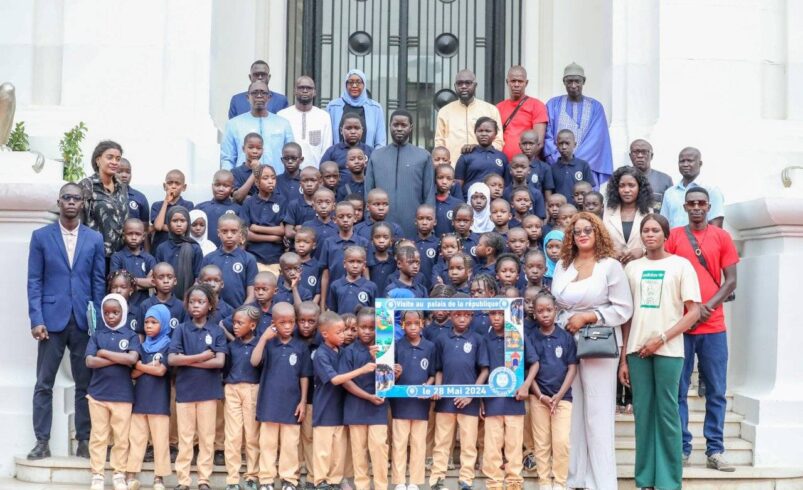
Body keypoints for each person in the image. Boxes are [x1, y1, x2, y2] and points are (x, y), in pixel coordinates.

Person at [550, 212, 633, 490]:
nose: (582, 234)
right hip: (566, 340)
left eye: (588, 230)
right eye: (577, 231)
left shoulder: (609, 266)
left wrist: (589, 316)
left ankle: (602, 482)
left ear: (598, 233)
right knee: (573, 412)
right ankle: (576, 478)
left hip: (598, 341)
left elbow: (623, 308)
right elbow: (557, 303)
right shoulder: (564, 265)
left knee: (598, 413)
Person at [619, 213, 702, 489]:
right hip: (636, 350)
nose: (650, 234)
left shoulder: (681, 266)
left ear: (666, 235)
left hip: (668, 350)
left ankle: (668, 481)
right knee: (643, 413)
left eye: (655, 230)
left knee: (667, 413)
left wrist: (662, 338)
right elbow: (627, 316)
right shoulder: (632, 268)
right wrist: (623, 359)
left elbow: (694, 312)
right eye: (646, 230)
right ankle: (645, 479)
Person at [26, 183, 106, 461]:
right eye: (66, 198)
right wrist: (36, 318)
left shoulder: (94, 239)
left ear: (83, 203)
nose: (71, 202)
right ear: (59, 202)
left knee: (85, 383)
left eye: (76, 198)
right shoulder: (41, 237)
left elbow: (98, 282)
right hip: (51, 321)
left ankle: (84, 440)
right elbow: (34, 281)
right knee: (43, 382)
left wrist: (97, 322)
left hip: (83, 321)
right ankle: (41, 441)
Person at [665, 188, 739, 471]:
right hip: (681, 327)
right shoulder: (674, 236)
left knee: (717, 390)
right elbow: (668, 276)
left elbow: (730, 281)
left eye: (701, 204)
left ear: (708, 207)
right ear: (685, 207)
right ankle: (682, 447)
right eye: (691, 204)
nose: (696, 208)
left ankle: (715, 450)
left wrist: (704, 308)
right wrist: (687, 314)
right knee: (679, 390)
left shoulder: (722, 237)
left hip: (713, 326)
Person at [168, 284, 228, 490]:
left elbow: (219, 362)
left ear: (210, 305)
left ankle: (204, 480)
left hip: (208, 393)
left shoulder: (216, 331)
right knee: (185, 439)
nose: (195, 305)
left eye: (200, 302)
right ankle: (183, 480)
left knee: (206, 438)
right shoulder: (181, 329)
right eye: (192, 302)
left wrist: (187, 359)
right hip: (185, 392)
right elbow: (173, 359)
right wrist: (201, 357)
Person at [429, 294, 489, 490]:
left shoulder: (478, 339)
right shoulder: (441, 339)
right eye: (457, 314)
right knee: (442, 441)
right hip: (445, 400)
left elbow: (484, 371)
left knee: (468, 443)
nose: (462, 318)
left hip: (468, 401)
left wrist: (471, 394)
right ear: (450, 315)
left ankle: (466, 480)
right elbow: (438, 369)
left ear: (471, 316)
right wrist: (437, 387)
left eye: (466, 315)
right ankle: (437, 479)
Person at [312, 311, 377, 489]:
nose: (344, 335)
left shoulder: (341, 351)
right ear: (325, 334)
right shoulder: (321, 354)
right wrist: (362, 370)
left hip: (340, 409)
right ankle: (320, 481)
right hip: (324, 408)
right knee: (323, 450)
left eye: (345, 331)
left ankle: (334, 480)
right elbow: (335, 379)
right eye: (339, 332)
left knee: (339, 450)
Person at [85, 293, 140, 490]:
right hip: (98, 395)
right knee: (99, 436)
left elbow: (132, 359)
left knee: (121, 437)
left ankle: (119, 473)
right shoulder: (97, 335)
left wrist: (104, 353)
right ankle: (97, 474)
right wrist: (119, 358)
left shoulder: (130, 335)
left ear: (123, 313)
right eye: (107, 313)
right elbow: (90, 361)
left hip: (123, 396)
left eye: (115, 312)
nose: (110, 317)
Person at [481, 309, 539, 490]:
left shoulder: (518, 337)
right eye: (493, 314)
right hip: (492, 400)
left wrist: (525, 386)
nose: (497, 317)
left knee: (514, 444)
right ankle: (494, 483)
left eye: (501, 314)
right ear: (487, 315)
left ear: (509, 316)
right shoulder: (485, 339)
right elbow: (482, 371)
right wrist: (481, 400)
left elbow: (534, 363)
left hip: (515, 400)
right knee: (492, 445)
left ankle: (514, 482)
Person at [529, 290, 577, 490]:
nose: (545, 314)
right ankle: (544, 482)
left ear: (556, 310)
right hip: (538, 398)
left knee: (561, 442)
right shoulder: (531, 337)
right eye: (540, 311)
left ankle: (559, 482)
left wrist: (558, 396)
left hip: (562, 398)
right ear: (534, 314)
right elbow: (529, 369)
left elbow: (572, 367)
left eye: (549, 310)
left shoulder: (565, 337)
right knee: (541, 443)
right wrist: (540, 396)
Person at [364, 109, 436, 239]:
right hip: (380, 227)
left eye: (403, 125)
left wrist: (428, 227)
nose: (399, 129)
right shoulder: (376, 155)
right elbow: (368, 192)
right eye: (395, 125)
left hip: (414, 226)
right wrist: (368, 222)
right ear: (389, 126)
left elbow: (429, 194)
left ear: (411, 128)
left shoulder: (423, 156)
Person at [341, 308, 391, 490]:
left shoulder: (384, 349)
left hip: (377, 408)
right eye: (363, 327)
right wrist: (368, 397)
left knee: (379, 448)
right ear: (356, 327)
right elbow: (345, 382)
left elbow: (388, 381)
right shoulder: (348, 351)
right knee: (358, 451)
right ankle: (361, 486)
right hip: (356, 407)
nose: (368, 331)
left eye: (372, 327)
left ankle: (380, 486)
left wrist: (382, 362)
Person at [126, 304, 173, 490]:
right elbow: (132, 374)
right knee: (136, 438)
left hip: (159, 400)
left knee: (160, 440)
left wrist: (141, 366)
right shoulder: (141, 346)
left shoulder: (169, 345)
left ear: (164, 323)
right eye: (146, 322)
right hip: (140, 399)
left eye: (154, 322)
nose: (149, 326)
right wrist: (149, 368)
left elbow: (161, 371)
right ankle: (131, 475)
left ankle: (159, 478)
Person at [544, 62, 613, 185]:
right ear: (564, 82)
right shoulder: (553, 104)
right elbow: (547, 135)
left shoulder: (595, 107)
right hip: (557, 166)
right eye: (569, 81)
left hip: (586, 168)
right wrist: (559, 159)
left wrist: (575, 162)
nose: (573, 85)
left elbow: (596, 141)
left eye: (577, 81)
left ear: (584, 81)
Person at [390, 310, 435, 490]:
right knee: (399, 442)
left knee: (418, 442)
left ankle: (415, 481)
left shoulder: (430, 347)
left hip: (420, 403)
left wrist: (428, 385)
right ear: (403, 325)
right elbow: (387, 377)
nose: (413, 327)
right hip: (400, 403)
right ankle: (399, 480)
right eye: (409, 324)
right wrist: (395, 375)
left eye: (416, 323)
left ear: (422, 323)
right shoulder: (396, 346)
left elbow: (433, 374)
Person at [221, 80, 295, 173]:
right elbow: (227, 158)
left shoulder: (283, 124)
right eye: (255, 93)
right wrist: (229, 181)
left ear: (269, 97)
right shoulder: (233, 124)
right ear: (248, 97)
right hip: (243, 182)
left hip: (275, 181)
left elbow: (291, 155)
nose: (259, 96)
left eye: (263, 93)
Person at [434, 69, 504, 166]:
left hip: (482, 168)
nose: (463, 86)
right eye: (460, 83)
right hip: (453, 169)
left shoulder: (490, 110)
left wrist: (480, 150)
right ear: (455, 86)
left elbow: (498, 141)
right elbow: (439, 142)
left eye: (468, 83)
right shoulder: (444, 112)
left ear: (475, 85)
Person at [78, 140, 129, 262]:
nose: (114, 162)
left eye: (118, 159)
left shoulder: (122, 187)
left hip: (120, 256)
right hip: (95, 254)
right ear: (98, 160)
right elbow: (79, 221)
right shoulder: (87, 185)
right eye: (109, 157)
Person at [660, 147, 725, 228]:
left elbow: (716, 225)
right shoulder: (670, 193)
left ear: (700, 164)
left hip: (702, 240)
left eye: (690, 161)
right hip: (675, 240)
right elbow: (664, 224)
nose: (685, 164)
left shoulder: (711, 190)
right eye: (682, 161)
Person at [278, 76, 333, 169]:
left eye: (309, 88)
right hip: (288, 172)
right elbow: (279, 147)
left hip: (314, 174)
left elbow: (326, 148)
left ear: (314, 92)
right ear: (295, 91)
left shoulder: (323, 116)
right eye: (301, 88)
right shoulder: (282, 116)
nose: (305, 90)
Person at [603, 166, 654, 266]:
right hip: (613, 269)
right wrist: (611, 251)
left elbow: (654, 240)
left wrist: (643, 251)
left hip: (640, 268)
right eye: (622, 186)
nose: (626, 190)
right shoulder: (607, 212)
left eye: (631, 185)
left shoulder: (649, 212)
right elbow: (600, 240)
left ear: (640, 188)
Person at [497, 65, 548, 162]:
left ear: (526, 83)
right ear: (507, 82)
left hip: (527, 166)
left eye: (520, 81)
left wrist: (521, 165)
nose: (516, 84)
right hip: (503, 165)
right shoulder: (498, 108)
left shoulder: (537, 105)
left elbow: (539, 142)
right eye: (513, 81)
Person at [327, 69, 386, 148]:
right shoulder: (333, 107)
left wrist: (373, 159)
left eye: (358, 82)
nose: (354, 85)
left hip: (367, 158)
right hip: (337, 158)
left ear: (364, 84)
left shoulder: (376, 108)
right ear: (346, 84)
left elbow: (380, 142)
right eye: (350, 82)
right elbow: (328, 139)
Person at [150, 169, 194, 252]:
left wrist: (165, 226)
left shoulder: (188, 205)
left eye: (177, 183)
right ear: (164, 186)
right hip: (159, 248)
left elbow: (186, 228)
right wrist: (166, 202)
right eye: (170, 183)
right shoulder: (157, 205)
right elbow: (158, 226)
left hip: (180, 248)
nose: (173, 186)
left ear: (184, 187)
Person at [629, 139, 673, 210]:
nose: (640, 155)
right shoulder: (621, 179)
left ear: (651, 156)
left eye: (644, 152)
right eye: (636, 152)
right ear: (630, 156)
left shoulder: (665, 180)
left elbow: (670, 208)